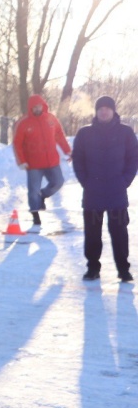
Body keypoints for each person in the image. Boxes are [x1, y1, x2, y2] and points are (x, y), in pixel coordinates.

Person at [72, 95, 138, 283]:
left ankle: (123, 269)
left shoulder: (125, 132)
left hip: (117, 192)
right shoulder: (85, 133)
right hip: (93, 193)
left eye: (107, 108)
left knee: (119, 232)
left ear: (113, 110)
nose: (104, 111)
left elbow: (134, 158)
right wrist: (86, 181)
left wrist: (125, 180)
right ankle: (92, 268)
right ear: (96, 111)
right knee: (92, 233)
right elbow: (78, 160)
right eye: (101, 108)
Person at [12, 94, 71, 226]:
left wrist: (68, 151)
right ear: (30, 108)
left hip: (52, 161)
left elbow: (60, 136)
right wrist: (21, 161)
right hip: (33, 164)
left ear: (43, 106)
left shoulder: (51, 119)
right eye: (34, 107)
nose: (37, 109)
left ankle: (43, 195)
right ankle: (35, 213)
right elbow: (17, 143)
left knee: (58, 182)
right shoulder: (23, 123)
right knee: (33, 190)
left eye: (39, 106)